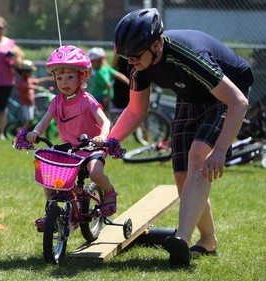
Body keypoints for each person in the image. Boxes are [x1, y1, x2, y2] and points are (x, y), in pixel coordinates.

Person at [111, 8, 254, 266]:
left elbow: (238, 102)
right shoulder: (140, 63)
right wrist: (111, 141)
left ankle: (182, 240)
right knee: (181, 175)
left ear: (156, 45)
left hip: (228, 94)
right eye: (125, 58)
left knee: (198, 154)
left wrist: (220, 150)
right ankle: (208, 242)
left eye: (133, 57)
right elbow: (135, 109)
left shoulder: (188, 56)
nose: (130, 63)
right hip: (191, 96)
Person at [26, 45, 117, 231]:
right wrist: (35, 132)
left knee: (95, 173)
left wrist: (102, 136)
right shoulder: (56, 102)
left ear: (81, 77)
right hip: (70, 149)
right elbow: (43, 123)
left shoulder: (87, 100)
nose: (64, 82)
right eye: (59, 78)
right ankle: (51, 212)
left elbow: (105, 121)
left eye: (69, 77)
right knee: (48, 177)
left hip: (92, 147)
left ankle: (109, 192)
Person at [86, 47, 129, 117]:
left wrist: (107, 99)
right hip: (105, 97)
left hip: (100, 98)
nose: (91, 65)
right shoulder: (107, 69)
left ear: (98, 61)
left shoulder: (100, 72)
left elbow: (108, 85)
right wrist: (130, 83)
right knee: (107, 115)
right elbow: (120, 76)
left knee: (99, 116)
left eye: (92, 62)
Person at [16, 59, 53, 129]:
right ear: (24, 72)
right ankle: (20, 133)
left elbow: (38, 80)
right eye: (29, 72)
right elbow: (27, 86)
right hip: (25, 103)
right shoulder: (21, 81)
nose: (31, 73)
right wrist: (38, 88)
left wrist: (48, 78)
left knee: (32, 118)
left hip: (30, 103)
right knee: (29, 119)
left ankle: (26, 131)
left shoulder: (29, 79)